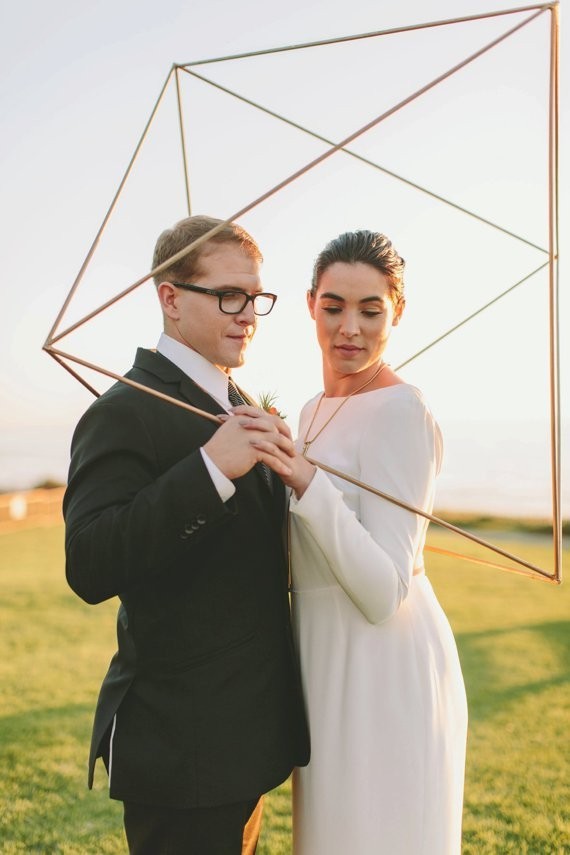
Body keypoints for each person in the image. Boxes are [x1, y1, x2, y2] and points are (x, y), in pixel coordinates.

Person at [63, 215, 309, 855]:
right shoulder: (122, 411)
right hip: (180, 747)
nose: (248, 313)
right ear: (171, 298)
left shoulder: (240, 402)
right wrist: (208, 470)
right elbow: (89, 563)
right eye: (229, 296)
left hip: (245, 741)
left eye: (256, 298)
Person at [275, 230, 468, 853]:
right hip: (323, 658)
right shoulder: (309, 412)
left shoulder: (402, 411)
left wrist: (304, 481)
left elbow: (385, 589)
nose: (349, 328)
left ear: (398, 312)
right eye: (333, 307)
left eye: (370, 309)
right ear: (310, 306)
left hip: (383, 664)